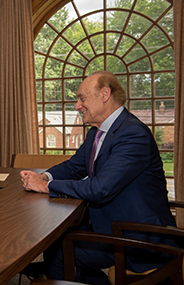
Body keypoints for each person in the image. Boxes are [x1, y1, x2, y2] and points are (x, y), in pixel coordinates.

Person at [20, 71, 178, 283]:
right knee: (55, 243)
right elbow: (74, 166)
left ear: (105, 94)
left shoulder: (133, 133)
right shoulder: (97, 132)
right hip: (110, 224)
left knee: (58, 254)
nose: (77, 106)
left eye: (82, 98)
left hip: (138, 237)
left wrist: (48, 187)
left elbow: (99, 189)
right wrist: (44, 176)